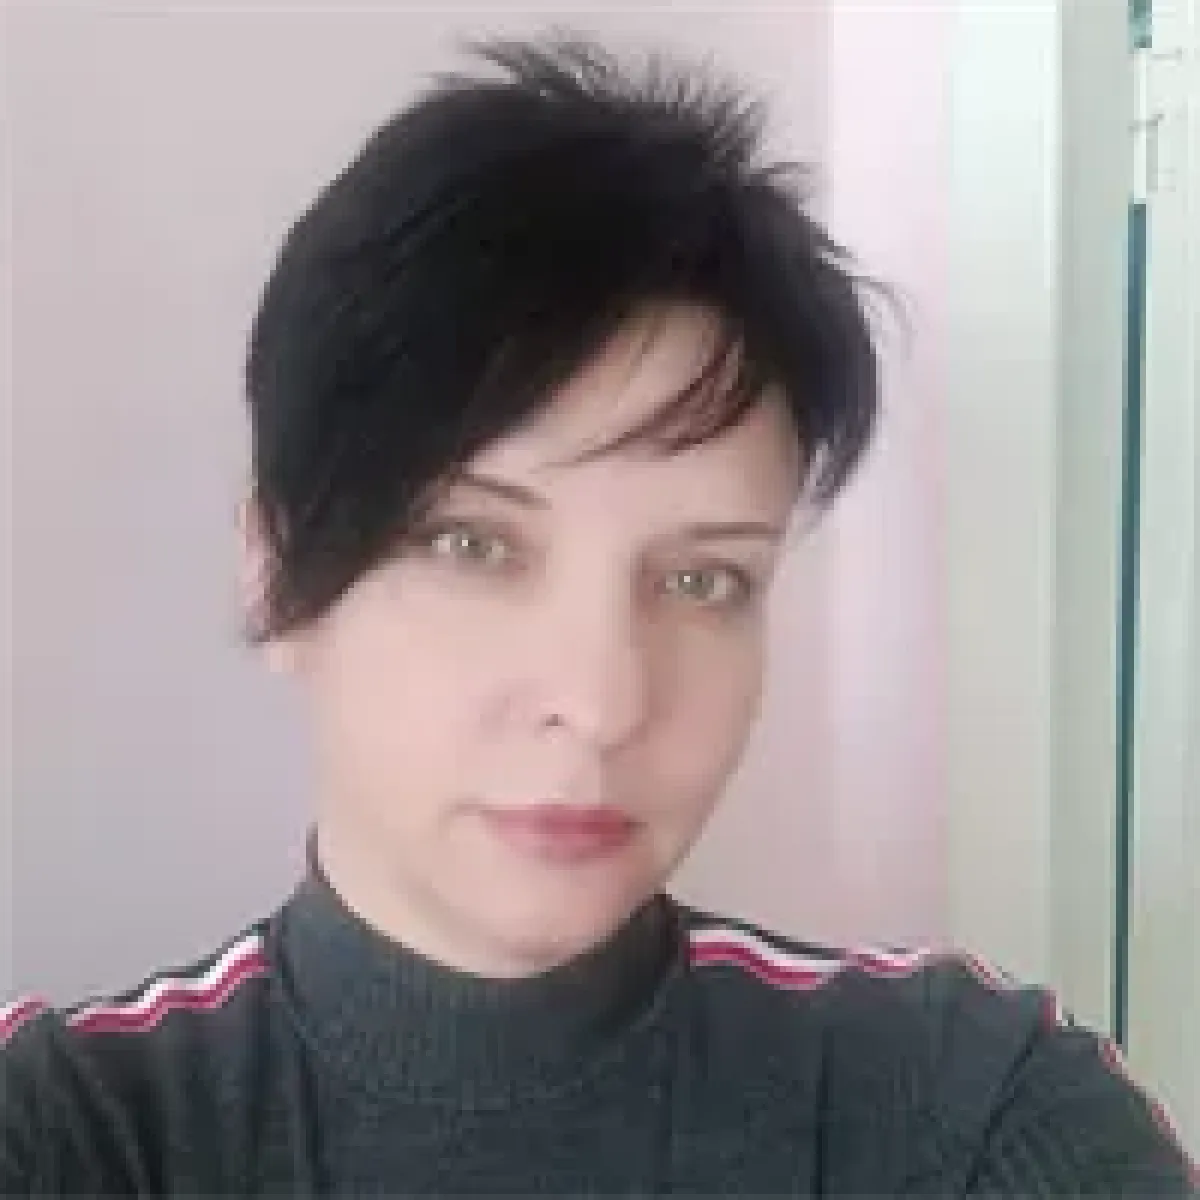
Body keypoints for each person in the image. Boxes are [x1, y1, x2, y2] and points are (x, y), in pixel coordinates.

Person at [1, 33, 1195, 1199]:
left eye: (703, 580)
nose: (605, 700)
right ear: (275, 572)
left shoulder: (964, 1105)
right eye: (472, 544)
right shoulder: (70, 1129)